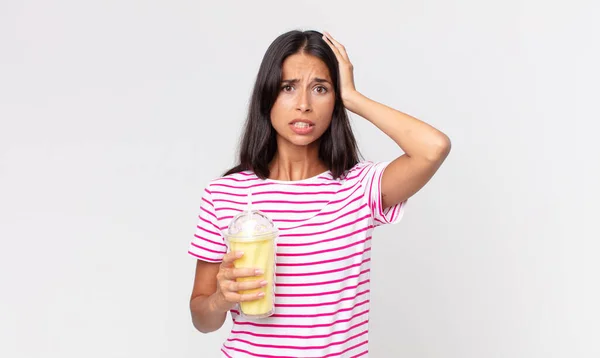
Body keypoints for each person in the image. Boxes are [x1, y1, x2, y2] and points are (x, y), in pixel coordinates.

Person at [188, 29, 451, 357]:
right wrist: (220, 300)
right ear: (267, 95)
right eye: (288, 87)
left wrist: (354, 98)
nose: (303, 105)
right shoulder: (225, 194)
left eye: (320, 89)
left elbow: (433, 148)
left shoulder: (359, 188)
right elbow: (202, 317)